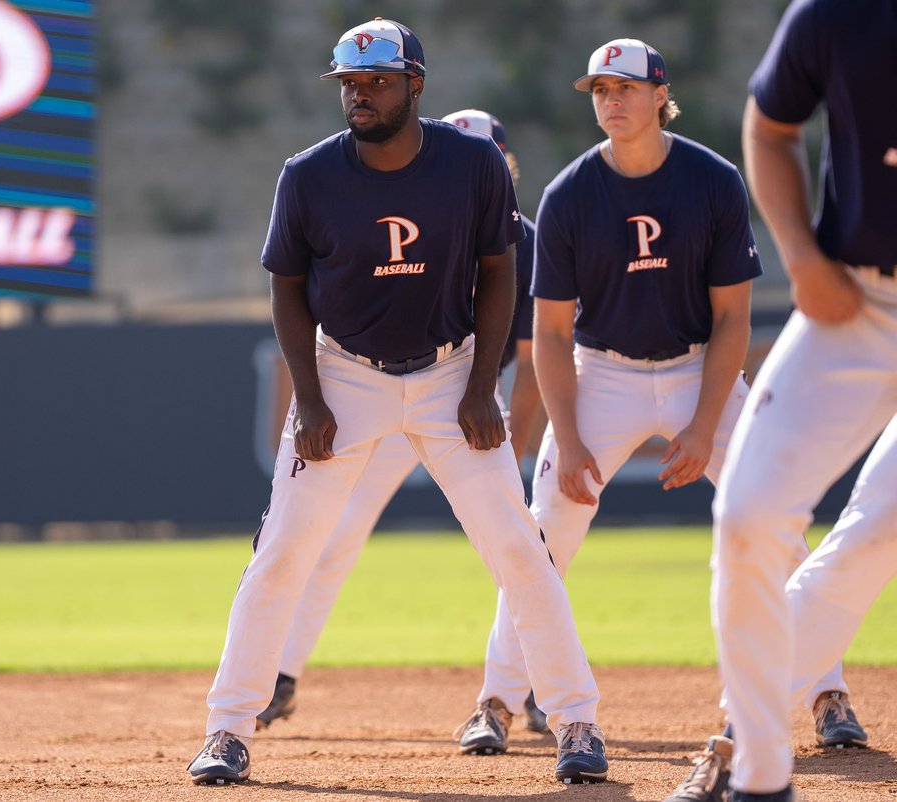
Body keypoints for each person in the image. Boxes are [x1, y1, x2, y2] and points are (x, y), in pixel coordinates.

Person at [187, 18, 608, 787]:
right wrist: (310, 400)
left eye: (376, 80)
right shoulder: (308, 175)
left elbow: (498, 271)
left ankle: (576, 719)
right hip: (345, 371)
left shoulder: (475, 165)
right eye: (348, 82)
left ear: (416, 83)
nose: (359, 94)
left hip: (450, 373)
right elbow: (286, 289)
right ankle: (228, 728)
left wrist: (482, 386)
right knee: (283, 550)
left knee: (519, 547)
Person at [451, 36, 767, 762]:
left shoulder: (712, 180)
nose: (611, 100)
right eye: (599, 90)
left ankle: (824, 689)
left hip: (697, 366)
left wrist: (702, 425)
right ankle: (497, 701)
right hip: (603, 374)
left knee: (772, 516)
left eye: (625, 87)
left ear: (661, 93)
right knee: (541, 540)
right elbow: (552, 335)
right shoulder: (569, 194)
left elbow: (732, 320)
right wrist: (569, 435)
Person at [255, 108, 549, 737]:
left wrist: (514, 436)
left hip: (465, 401)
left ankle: (529, 685)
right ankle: (278, 676)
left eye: (487, 153)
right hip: (376, 386)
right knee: (332, 539)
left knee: (515, 546)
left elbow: (534, 355)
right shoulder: (409, 208)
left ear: (502, 164)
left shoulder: (518, 236)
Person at [711, 1, 897, 799]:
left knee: (876, 535)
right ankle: (755, 775)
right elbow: (770, 126)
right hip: (854, 301)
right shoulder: (836, 11)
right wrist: (799, 255)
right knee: (748, 517)